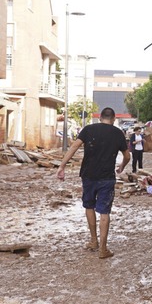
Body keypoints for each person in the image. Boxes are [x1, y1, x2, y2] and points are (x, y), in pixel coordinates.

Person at [56, 107, 130, 259]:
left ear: (100, 117)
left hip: (88, 176)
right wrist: (122, 166)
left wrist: (62, 165)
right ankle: (103, 249)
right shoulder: (118, 133)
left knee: (89, 206)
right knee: (104, 212)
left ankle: (93, 241)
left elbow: (75, 146)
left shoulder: (88, 129)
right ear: (114, 119)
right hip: (107, 177)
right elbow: (127, 155)